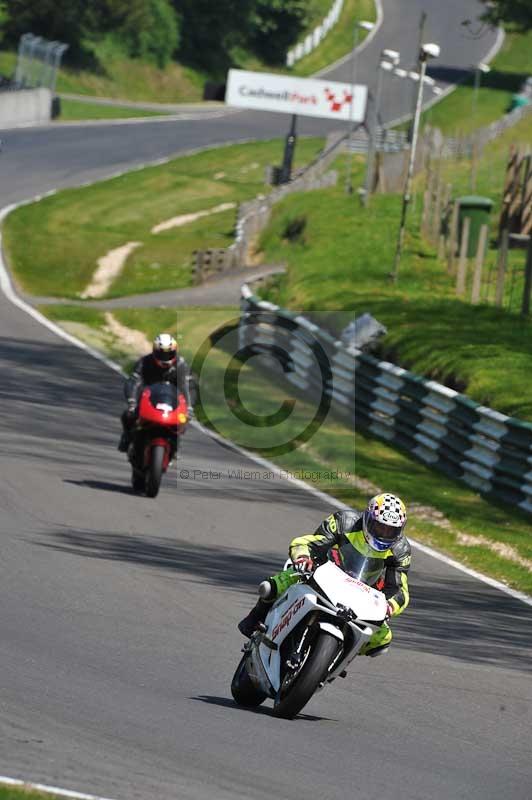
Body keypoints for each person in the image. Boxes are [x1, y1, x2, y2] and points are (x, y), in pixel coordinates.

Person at [238, 493, 411, 657]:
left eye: (391, 530)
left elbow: (399, 589)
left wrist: (389, 607)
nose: (384, 533)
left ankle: (337, 655)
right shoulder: (344, 522)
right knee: (273, 586)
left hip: (363, 596)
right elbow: (309, 543)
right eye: (380, 526)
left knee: (382, 640)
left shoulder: (400, 550)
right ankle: (254, 619)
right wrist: (303, 558)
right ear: (367, 518)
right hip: (324, 574)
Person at [118, 333, 193, 452]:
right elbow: (133, 380)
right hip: (148, 397)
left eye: (169, 353)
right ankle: (127, 437)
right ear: (154, 351)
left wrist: (188, 408)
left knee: (182, 420)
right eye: (161, 353)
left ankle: (175, 443)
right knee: (128, 415)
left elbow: (187, 387)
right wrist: (132, 402)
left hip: (171, 401)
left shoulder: (181, 365)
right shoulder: (145, 361)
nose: (165, 357)